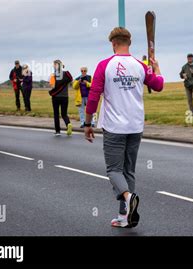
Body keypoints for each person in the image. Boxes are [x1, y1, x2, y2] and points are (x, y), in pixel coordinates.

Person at [84, 27, 164, 228]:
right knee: (129, 170)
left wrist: (87, 123)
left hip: (114, 127)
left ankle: (128, 198)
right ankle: (124, 216)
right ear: (129, 43)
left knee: (113, 170)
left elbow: (93, 96)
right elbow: (159, 85)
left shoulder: (105, 65)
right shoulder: (140, 66)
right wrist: (156, 68)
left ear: (113, 43)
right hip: (136, 126)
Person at [49, 59, 73, 136]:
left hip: (56, 97)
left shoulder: (53, 75)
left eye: (54, 65)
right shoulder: (66, 74)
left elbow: (52, 86)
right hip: (65, 97)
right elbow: (70, 81)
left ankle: (58, 131)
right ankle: (68, 124)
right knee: (64, 114)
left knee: (56, 114)